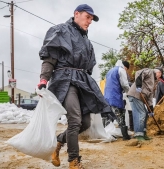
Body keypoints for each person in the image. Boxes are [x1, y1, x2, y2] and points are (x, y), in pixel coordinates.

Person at [37, 4, 115, 168]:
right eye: (88, 17)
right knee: (75, 120)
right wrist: (44, 79)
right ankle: (74, 161)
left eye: (92, 19)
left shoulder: (87, 42)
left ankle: (59, 142)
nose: (90, 21)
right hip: (64, 80)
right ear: (76, 14)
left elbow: (88, 67)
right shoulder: (60, 31)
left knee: (85, 123)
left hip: (81, 81)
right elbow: (50, 58)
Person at [127, 68, 160, 141]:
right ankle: (138, 135)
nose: (159, 77)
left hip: (140, 98)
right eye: (159, 74)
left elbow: (150, 97)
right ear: (157, 72)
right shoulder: (150, 71)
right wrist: (138, 86)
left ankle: (143, 133)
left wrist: (150, 110)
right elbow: (138, 73)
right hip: (135, 95)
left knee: (145, 113)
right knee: (141, 114)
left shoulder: (154, 82)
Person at [104, 60, 131, 140]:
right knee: (121, 115)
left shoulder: (110, 71)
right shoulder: (121, 70)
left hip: (107, 96)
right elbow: (125, 84)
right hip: (115, 96)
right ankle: (125, 136)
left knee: (110, 117)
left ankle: (111, 134)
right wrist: (129, 93)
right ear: (125, 67)